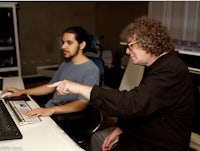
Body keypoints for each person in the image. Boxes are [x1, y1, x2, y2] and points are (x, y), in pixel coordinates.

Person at [47, 16, 194, 151]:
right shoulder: (157, 66)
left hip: (160, 144)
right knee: (99, 139)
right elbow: (144, 105)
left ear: (147, 43)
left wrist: (78, 87)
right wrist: (120, 128)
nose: (127, 51)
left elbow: (132, 103)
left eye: (130, 45)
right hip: (146, 134)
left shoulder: (170, 70)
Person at [3, 26, 100, 142]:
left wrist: (52, 110)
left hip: (65, 117)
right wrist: (23, 91)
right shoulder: (66, 64)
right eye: (63, 42)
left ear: (82, 45)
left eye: (69, 43)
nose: (63, 46)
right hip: (51, 110)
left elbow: (82, 103)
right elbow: (50, 87)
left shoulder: (91, 70)